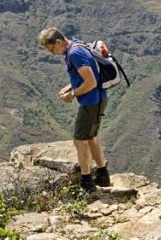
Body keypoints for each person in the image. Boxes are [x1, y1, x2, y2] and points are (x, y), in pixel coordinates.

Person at [38, 27, 111, 192]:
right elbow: (86, 75)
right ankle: (102, 175)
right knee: (91, 137)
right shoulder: (78, 45)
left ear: (58, 42)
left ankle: (86, 182)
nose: (52, 53)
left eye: (52, 49)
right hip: (100, 98)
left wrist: (72, 94)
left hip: (90, 102)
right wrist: (70, 86)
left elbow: (90, 82)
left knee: (80, 141)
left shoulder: (74, 54)